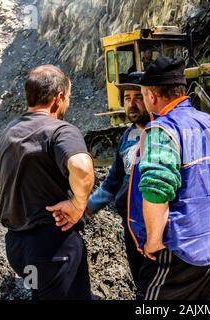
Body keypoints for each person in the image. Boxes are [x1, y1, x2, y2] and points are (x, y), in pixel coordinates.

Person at [128, 56, 210, 300]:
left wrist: (153, 241)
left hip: (178, 247)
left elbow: (156, 190)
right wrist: (207, 179)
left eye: (143, 95)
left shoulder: (161, 130)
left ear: (152, 96)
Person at [0, 65, 94, 300]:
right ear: (58, 98)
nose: (67, 103)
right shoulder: (60, 130)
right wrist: (78, 206)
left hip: (18, 250)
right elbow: (81, 167)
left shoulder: (5, 135)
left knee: (38, 295)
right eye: (67, 97)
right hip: (53, 250)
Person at [86, 73, 150, 286]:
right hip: (132, 226)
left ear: (151, 97)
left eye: (138, 97)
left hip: (159, 227)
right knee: (141, 283)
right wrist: (86, 210)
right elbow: (113, 181)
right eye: (127, 97)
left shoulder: (165, 132)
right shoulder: (127, 137)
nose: (131, 104)